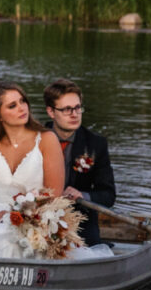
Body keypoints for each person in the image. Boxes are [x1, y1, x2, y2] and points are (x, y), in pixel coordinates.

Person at [0, 81, 108, 260]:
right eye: (12, 105)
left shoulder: (46, 139)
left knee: (23, 245)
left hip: (36, 217)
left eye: (22, 101)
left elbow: (54, 195)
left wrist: (14, 214)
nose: (22, 108)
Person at [44, 79, 116, 247]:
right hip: (38, 218)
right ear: (51, 112)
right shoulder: (34, 138)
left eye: (77, 108)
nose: (74, 114)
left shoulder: (95, 144)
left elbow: (108, 195)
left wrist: (83, 196)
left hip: (80, 224)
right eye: (66, 109)